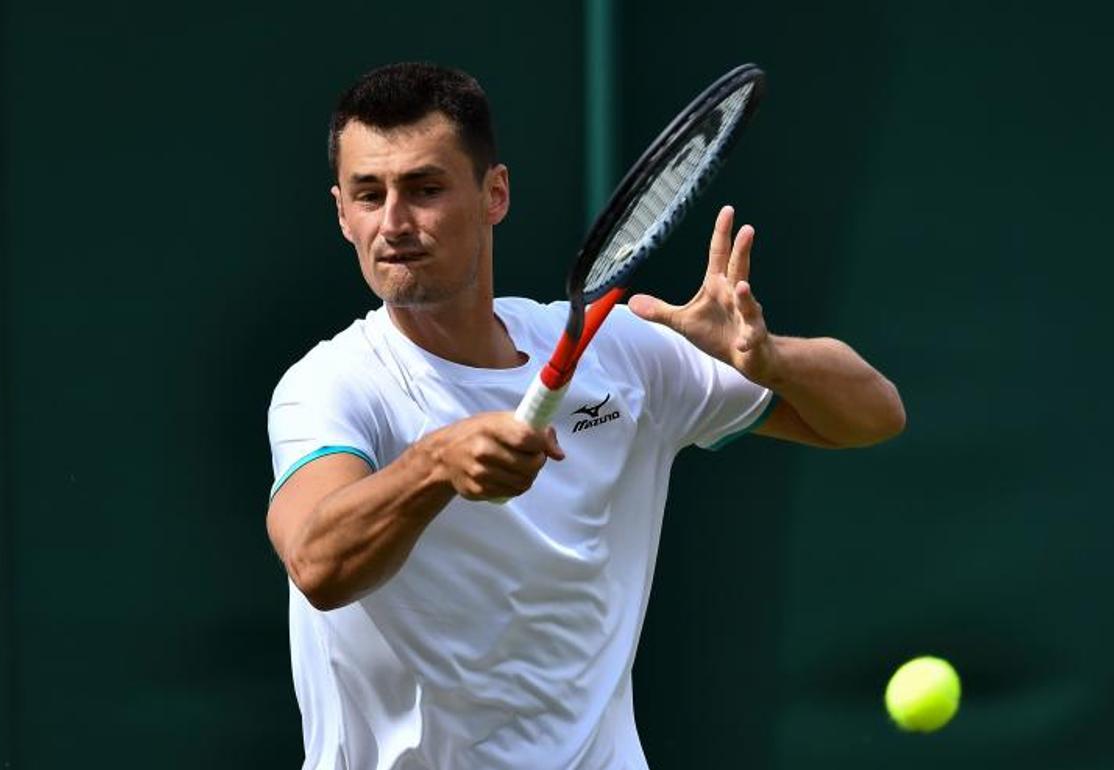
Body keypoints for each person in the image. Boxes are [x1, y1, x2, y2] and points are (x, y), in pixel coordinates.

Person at [266, 62, 905, 769]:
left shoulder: (626, 358)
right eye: (368, 194)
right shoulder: (331, 385)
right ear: (341, 212)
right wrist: (434, 464)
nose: (393, 222)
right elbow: (316, 563)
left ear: (493, 194)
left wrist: (773, 359)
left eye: (424, 189)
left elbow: (873, 415)